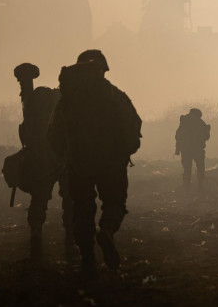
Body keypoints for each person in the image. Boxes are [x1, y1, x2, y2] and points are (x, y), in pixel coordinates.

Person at [48, 50, 141, 271]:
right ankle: (107, 231)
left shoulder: (67, 100)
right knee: (114, 202)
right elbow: (132, 126)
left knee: (81, 209)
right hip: (112, 163)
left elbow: (53, 133)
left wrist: (65, 156)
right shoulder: (114, 95)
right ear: (103, 69)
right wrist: (125, 152)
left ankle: (87, 258)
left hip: (78, 164)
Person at [12, 63, 73, 263]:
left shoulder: (31, 101)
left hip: (42, 159)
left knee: (39, 200)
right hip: (62, 158)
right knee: (69, 200)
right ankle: (70, 240)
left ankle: (36, 234)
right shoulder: (64, 102)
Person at [175, 108, 211, 193]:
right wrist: (207, 130)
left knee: (187, 169)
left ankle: (187, 187)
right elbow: (206, 137)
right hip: (197, 149)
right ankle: (200, 186)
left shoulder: (184, 123)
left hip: (186, 150)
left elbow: (178, 136)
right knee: (200, 168)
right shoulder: (200, 122)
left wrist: (178, 149)